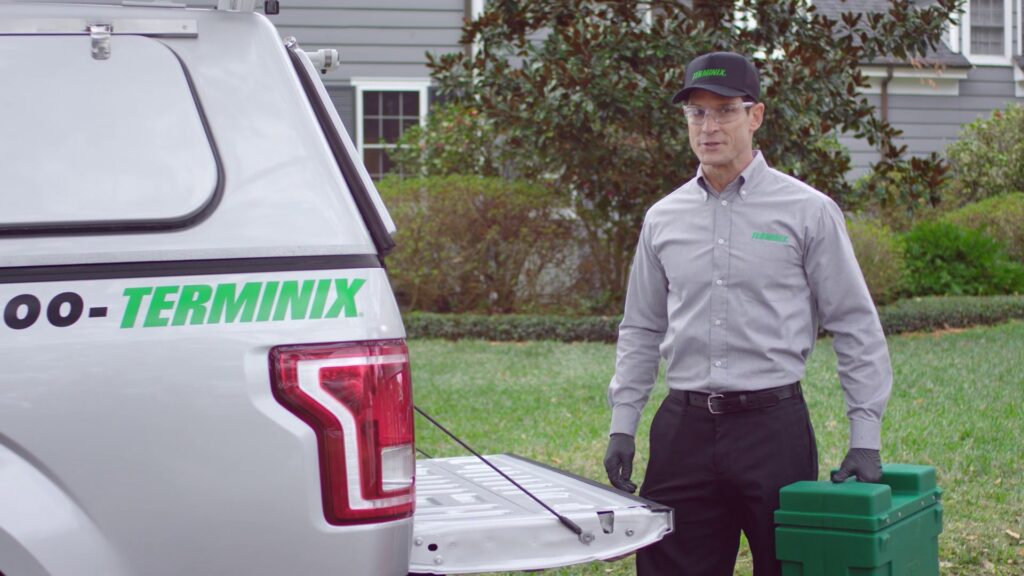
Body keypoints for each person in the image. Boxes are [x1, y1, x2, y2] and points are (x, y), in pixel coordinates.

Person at [603, 51, 893, 576]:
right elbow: (642, 327)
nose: (709, 127)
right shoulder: (663, 218)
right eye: (696, 113)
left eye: (724, 111)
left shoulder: (808, 211)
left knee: (788, 567)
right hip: (682, 432)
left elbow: (854, 324)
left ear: (754, 116)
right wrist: (623, 425)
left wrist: (865, 437)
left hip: (773, 429)